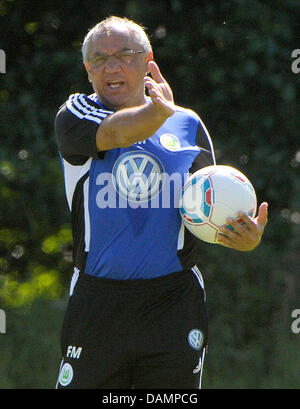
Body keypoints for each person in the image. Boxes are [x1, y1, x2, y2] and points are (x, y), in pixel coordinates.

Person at [54, 16, 268, 389]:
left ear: (147, 59)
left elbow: (209, 211)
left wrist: (243, 238)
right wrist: (158, 112)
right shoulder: (76, 115)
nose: (113, 66)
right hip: (98, 302)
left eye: (125, 54)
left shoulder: (188, 125)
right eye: (100, 60)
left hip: (174, 301)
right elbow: (118, 131)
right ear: (88, 70)